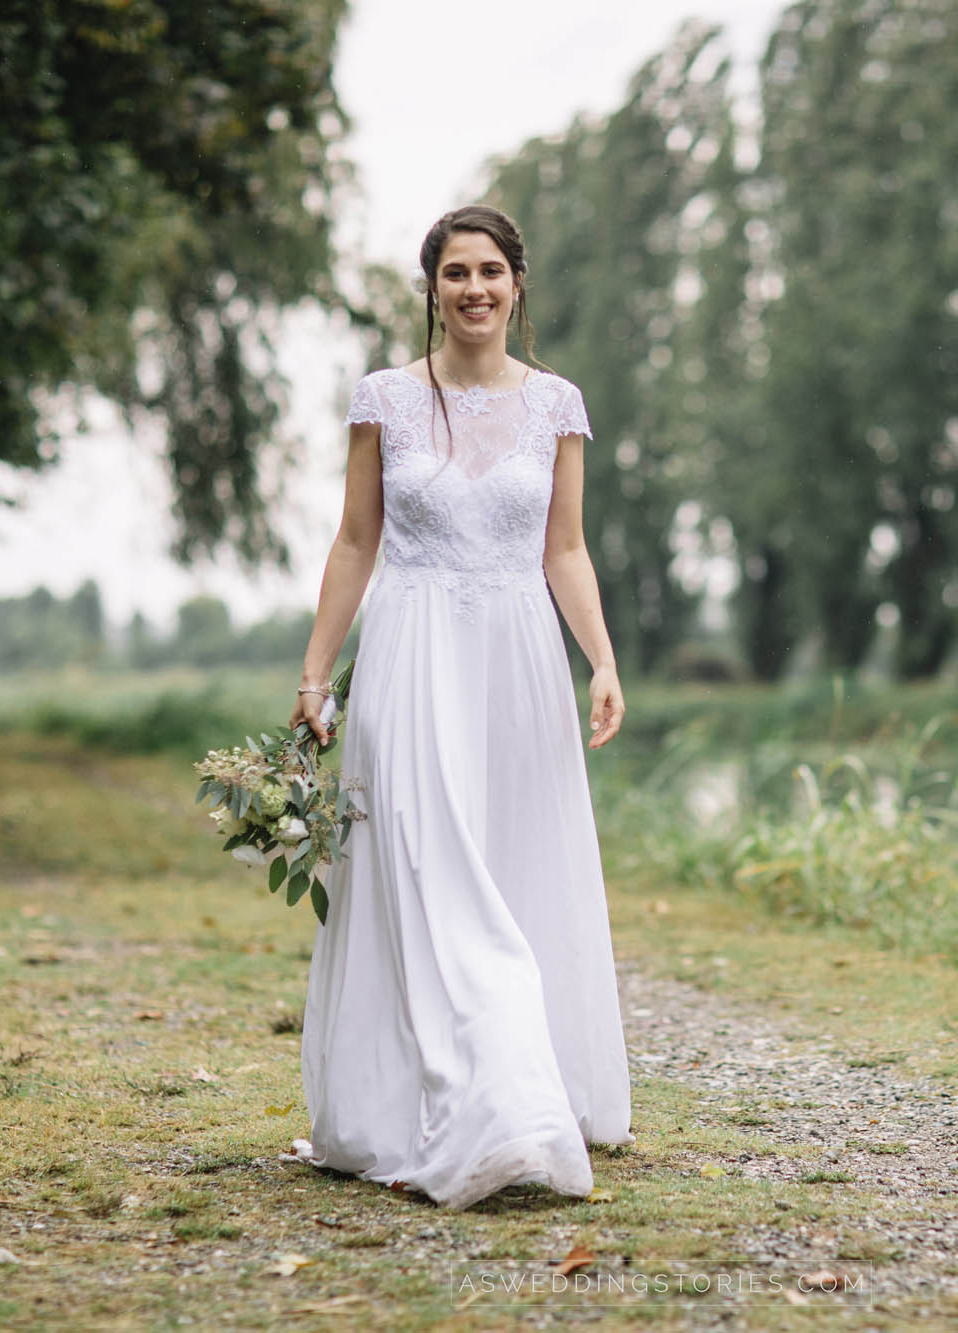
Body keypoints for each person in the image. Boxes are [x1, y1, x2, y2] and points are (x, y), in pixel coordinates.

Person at [283, 205, 633, 1209]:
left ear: (516, 284)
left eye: (490, 271)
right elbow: (356, 541)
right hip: (410, 653)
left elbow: (564, 548)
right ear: (431, 289)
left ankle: (525, 1087)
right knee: (419, 862)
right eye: (455, 273)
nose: (474, 289)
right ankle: (444, 1104)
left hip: (518, 658)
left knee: (513, 864)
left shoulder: (557, 404)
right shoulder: (384, 399)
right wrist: (316, 673)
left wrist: (602, 661)